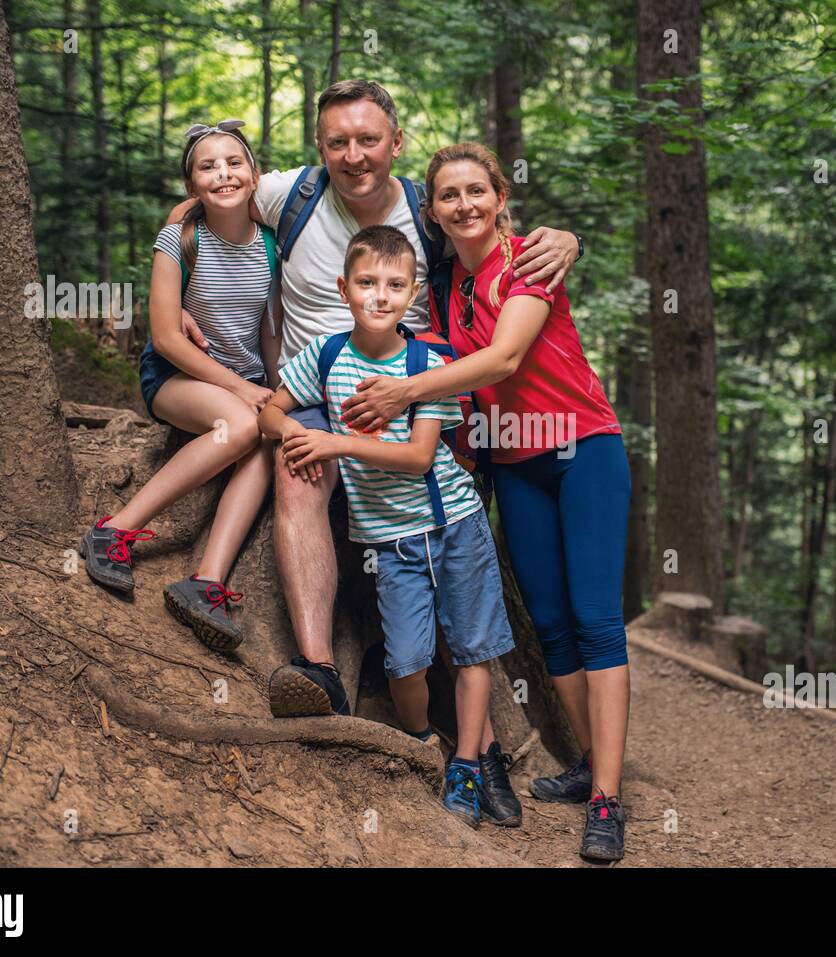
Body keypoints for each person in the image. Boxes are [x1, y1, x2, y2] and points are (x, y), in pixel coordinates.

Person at [339, 143, 630, 862]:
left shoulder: (531, 259)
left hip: (583, 450)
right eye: (448, 196)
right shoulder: (449, 287)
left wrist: (404, 392)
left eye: (477, 190)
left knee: (596, 619)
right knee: (555, 626)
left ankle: (608, 801)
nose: (464, 204)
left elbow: (501, 359)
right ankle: (589, 764)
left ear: (501, 197)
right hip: (515, 465)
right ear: (432, 212)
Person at [258, 226, 519, 828]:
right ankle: (425, 741)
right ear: (343, 287)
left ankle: (470, 767)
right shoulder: (325, 356)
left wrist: (333, 440)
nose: (380, 296)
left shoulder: (427, 364)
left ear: (411, 295)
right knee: (406, 662)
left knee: (474, 649)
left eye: (395, 285)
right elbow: (271, 409)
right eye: (368, 283)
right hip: (388, 542)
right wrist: (300, 435)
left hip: (454, 523)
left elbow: (419, 457)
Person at [80, 121, 277, 653]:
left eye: (234, 162)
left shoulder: (271, 244)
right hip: (177, 377)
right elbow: (167, 338)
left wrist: (276, 389)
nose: (224, 174)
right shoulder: (179, 238)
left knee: (266, 441)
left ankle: (204, 582)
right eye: (207, 167)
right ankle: (114, 529)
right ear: (192, 187)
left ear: (255, 174)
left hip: (249, 381)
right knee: (240, 425)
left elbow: (267, 331)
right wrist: (240, 388)